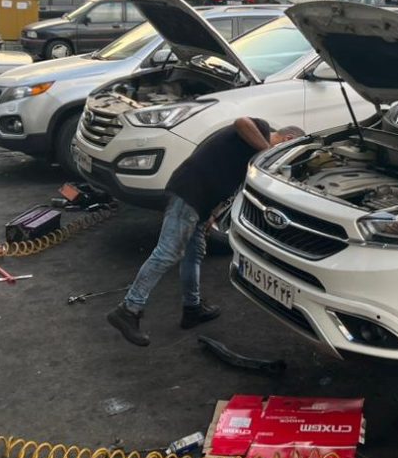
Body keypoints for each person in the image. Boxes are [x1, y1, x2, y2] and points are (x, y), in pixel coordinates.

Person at [107, 117, 304, 346]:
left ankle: (192, 308)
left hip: (201, 204)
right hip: (189, 193)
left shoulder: (253, 158)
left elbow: (229, 181)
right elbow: (241, 122)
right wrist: (267, 150)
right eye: (288, 151)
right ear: (288, 139)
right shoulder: (260, 128)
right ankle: (128, 309)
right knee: (167, 253)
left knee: (194, 253)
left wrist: (214, 213)